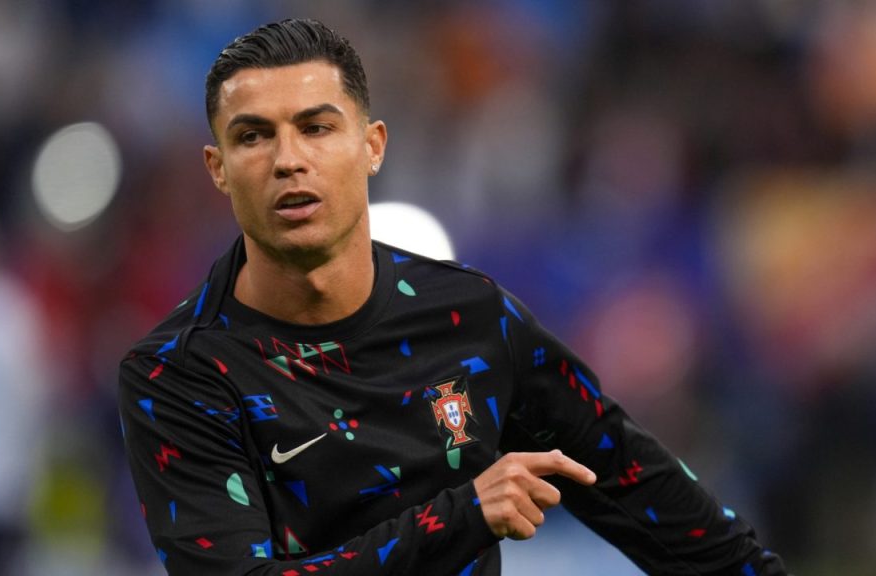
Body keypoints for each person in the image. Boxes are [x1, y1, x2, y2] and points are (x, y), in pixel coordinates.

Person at [119, 18, 789, 576]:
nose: (288, 159)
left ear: (372, 147)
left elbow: (639, 489)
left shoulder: (470, 319)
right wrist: (462, 516)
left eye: (316, 127)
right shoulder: (177, 375)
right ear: (218, 169)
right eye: (253, 136)